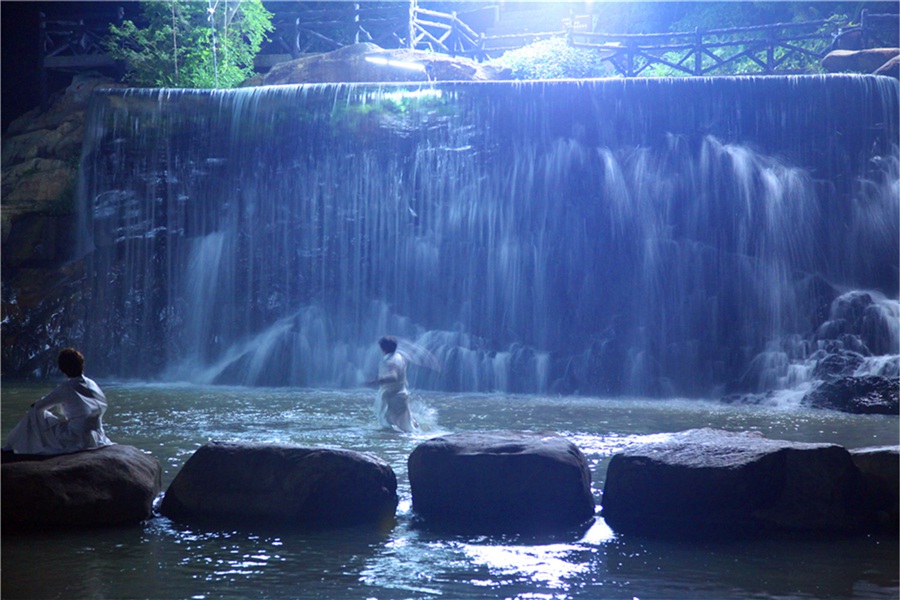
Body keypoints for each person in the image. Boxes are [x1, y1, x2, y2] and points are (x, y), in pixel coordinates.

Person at [4, 348, 113, 455]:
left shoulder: (67, 387)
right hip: (97, 436)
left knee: (35, 412)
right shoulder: (92, 383)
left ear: (63, 369)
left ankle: (11, 446)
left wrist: (36, 404)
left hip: (76, 438)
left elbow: (40, 406)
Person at [366, 336, 418, 432]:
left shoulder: (387, 361)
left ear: (383, 348)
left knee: (391, 427)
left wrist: (375, 381)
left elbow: (393, 377)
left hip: (391, 398)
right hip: (401, 395)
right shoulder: (399, 357)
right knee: (406, 426)